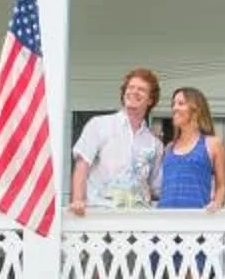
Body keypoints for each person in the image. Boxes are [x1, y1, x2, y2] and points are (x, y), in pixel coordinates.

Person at [70, 68, 163, 215]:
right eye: (130, 87)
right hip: (101, 214)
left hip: (139, 219)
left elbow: (156, 186)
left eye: (141, 89)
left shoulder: (154, 143)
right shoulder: (99, 125)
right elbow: (82, 165)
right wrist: (77, 201)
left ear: (150, 100)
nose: (134, 92)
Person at [156, 87, 225, 215]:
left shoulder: (213, 144)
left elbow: (221, 187)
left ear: (196, 109)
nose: (174, 108)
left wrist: (216, 204)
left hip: (197, 221)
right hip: (164, 221)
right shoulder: (169, 148)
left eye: (180, 103)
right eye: (173, 104)